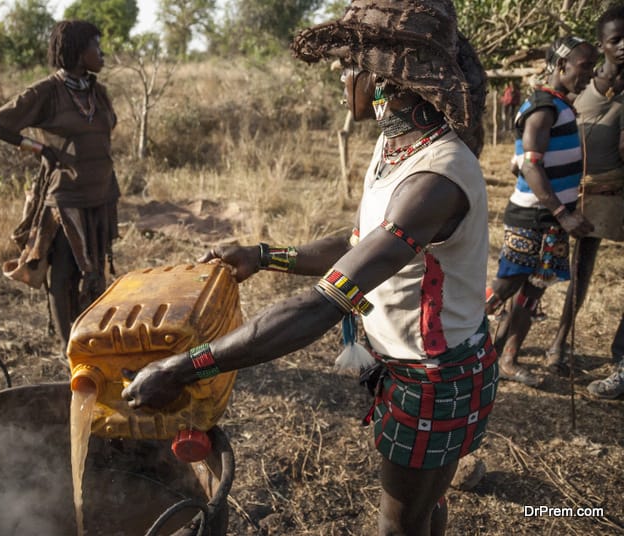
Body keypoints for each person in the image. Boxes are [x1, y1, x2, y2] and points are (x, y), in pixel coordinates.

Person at [123, 2, 496, 534]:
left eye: (350, 64)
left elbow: (325, 302)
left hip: (435, 380)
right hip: (416, 368)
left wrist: (183, 367)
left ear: (384, 74)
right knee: (426, 508)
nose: (343, 76)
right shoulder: (398, 147)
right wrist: (262, 256)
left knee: (401, 524)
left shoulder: (434, 182)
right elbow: (358, 242)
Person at [0, 21, 120, 354]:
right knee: (64, 276)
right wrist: (41, 149)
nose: (102, 53)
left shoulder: (96, 91)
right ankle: (68, 348)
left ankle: (91, 339)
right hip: (66, 198)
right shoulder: (46, 92)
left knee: (95, 271)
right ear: (76, 52)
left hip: (100, 193)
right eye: (96, 46)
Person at [485, 36, 598, 387]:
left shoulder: (559, 104)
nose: (589, 74)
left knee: (534, 290)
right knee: (504, 288)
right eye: (584, 67)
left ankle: (505, 359)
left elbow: (525, 161)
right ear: (561, 66)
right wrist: (564, 213)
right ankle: (452, 347)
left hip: (551, 219)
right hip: (535, 216)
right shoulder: (544, 107)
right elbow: (531, 167)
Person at [545, 5, 624, 398]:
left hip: (614, 195)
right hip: (573, 195)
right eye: (615, 41)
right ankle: (553, 344)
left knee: (593, 272)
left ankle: (603, 357)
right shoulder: (581, 93)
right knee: (561, 270)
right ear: (602, 46)